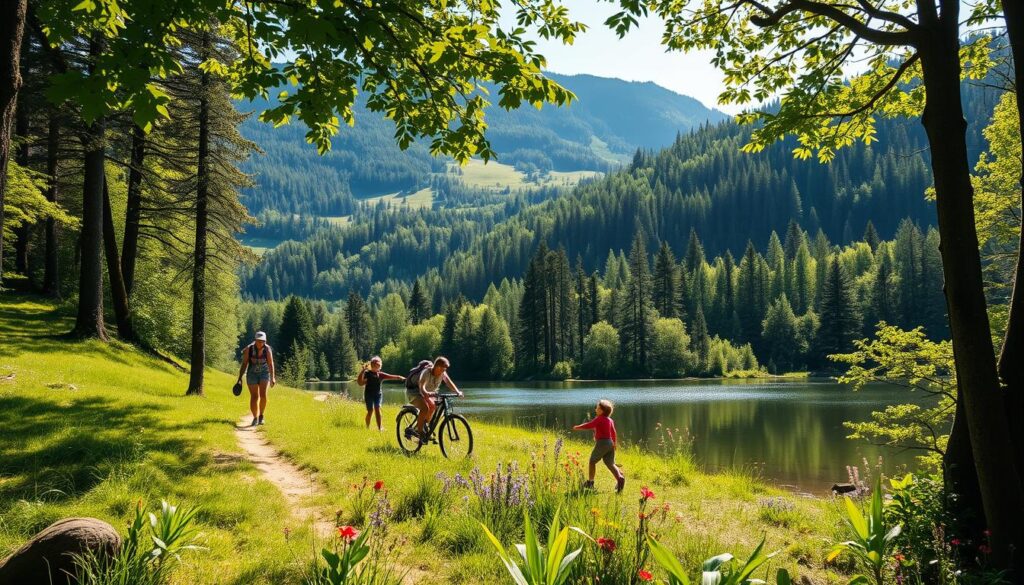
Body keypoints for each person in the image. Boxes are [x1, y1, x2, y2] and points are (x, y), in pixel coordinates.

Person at [572, 399, 625, 492]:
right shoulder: (610, 420)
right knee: (610, 463)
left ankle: (590, 482)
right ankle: (620, 478)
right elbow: (613, 432)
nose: (596, 409)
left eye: (597, 407)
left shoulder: (599, 418)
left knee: (592, 461)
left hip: (603, 443)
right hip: (610, 443)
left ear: (602, 410)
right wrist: (615, 443)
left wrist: (578, 427)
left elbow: (589, 425)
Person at [411, 356, 462, 442]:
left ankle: (425, 425)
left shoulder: (443, 373)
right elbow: (422, 386)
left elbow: (449, 382)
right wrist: (426, 392)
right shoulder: (426, 372)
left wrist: (457, 391)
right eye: (443, 368)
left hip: (430, 394)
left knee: (435, 407)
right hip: (416, 392)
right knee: (426, 408)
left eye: (445, 368)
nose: (444, 370)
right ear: (437, 367)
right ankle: (419, 432)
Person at [237, 331, 276, 426]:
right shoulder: (249, 349)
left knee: (263, 395)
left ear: (265, 341)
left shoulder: (267, 349)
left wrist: (272, 377)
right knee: (254, 397)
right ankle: (255, 417)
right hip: (251, 373)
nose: (261, 343)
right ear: (255, 340)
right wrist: (240, 377)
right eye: (259, 341)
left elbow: (271, 364)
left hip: (264, 373)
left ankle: (261, 416)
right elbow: (244, 363)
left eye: (263, 341)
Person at [357, 356, 404, 431]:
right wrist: (362, 371)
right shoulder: (367, 373)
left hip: (377, 395)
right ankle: (367, 427)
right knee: (370, 411)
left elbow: (391, 376)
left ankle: (380, 428)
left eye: (379, 365)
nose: (377, 367)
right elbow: (360, 383)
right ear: (372, 365)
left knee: (377, 408)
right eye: (376, 365)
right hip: (368, 395)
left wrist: (400, 377)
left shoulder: (380, 374)